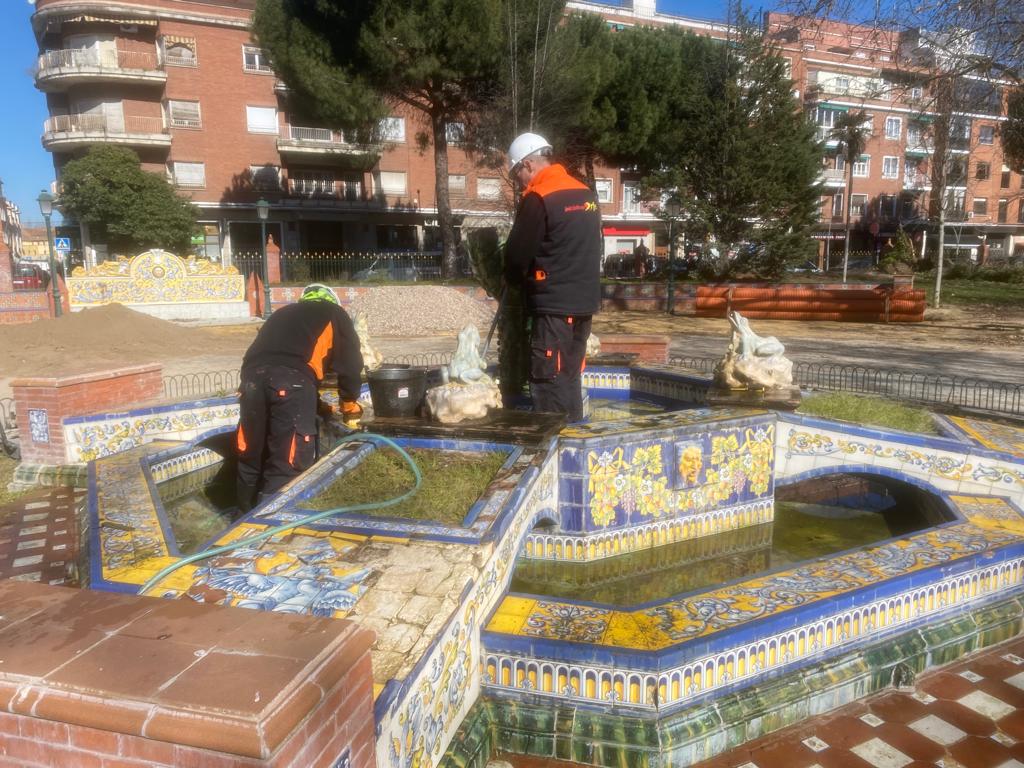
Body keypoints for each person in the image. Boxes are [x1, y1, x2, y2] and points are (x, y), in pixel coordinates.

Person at [235, 283, 364, 512]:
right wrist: (349, 405)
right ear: (332, 300)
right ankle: (268, 528)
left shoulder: (282, 313)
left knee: (251, 455)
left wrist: (318, 405)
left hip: (251, 381)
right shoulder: (335, 313)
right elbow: (350, 365)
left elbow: (273, 360)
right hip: (292, 383)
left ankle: (240, 519)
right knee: (288, 460)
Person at [504, 132, 602, 422]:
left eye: (516, 173)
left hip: (554, 309)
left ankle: (552, 449)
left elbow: (517, 255)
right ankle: (573, 443)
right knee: (569, 377)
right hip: (584, 307)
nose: (518, 181)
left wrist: (512, 282)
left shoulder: (539, 197)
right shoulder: (586, 194)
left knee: (547, 381)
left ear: (528, 164)